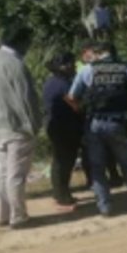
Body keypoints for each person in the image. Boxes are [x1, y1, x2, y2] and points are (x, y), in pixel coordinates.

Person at [67, 42, 127, 217]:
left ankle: (105, 206)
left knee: (97, 166)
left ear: (97, 53)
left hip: (95, 123)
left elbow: (72, 97)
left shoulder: (87, 70)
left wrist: (80, 109)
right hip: (120, 122)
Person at [0, 24, 42, 229]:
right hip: (18, 126)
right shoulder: (15, 64)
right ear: (21, 41)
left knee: (3, 172)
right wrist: (33, 125)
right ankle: (18, 216)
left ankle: (3, 214)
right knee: (16, 174)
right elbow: (25, 97)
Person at [75, 41, 123, 189]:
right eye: (91, 53)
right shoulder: (82, 69)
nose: (94, 55)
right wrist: (79, 109)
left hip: (97, 113)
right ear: (84, 54)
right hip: (89, 114)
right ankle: (94, 181)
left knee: (107, 149)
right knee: (90, 152)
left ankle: (112, 177)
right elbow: (72, 95)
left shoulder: (96, 68)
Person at [43, 52, 85, 208]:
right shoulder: (63, 85)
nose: (74, 67)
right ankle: (63, 194)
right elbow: (75, 105)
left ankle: (59, 192)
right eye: (72, 64)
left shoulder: (51, 82)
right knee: (65, 161)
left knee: (59, 160)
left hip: (54, 125)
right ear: (64, 67)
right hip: (64, 127)